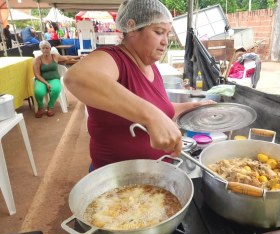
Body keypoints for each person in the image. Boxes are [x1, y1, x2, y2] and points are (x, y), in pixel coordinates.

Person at [64, 0, 214, 171]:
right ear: (132, 28)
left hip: (156, 174)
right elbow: (76, 78)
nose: (165, 41)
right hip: (117, 182)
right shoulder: (114, 58)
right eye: (158, 32)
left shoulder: (151, 66)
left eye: (167, 34)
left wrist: (191, 107)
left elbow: (159, 108)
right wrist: (151, 116)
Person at [33, 40, 83, 118]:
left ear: (50, 49)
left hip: (54, 78)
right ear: (41, 49)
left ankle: (50, 107)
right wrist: (46, 83)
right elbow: (37, 75)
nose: (45, 50)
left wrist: (79, 56)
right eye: (43, 48)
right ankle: (40, 107)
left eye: (47, 48)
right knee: (39, 92)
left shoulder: (54, 56)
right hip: (42, 80)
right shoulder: (37, 60)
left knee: (56, 89)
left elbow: (67, 57)